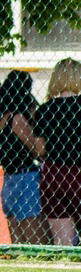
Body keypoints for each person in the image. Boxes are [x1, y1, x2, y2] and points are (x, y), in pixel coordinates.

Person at [0, 70, 46, 244]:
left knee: (18, 240)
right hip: (26, 178)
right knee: (36, 240)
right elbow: (38, 151)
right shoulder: (17, 119)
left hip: (8, 179)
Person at [32, 58, 81, 246]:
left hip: (54, 174)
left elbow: (40, 149)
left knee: (62, 241)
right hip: (78, 171)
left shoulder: (44, 110)